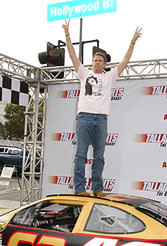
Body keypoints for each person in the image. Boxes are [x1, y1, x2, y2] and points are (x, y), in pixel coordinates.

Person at [62, 19, 142, 197]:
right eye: (95, 60)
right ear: (92, 62)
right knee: (81, 154)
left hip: (101, 119)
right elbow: (73, 55)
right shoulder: (84, 74)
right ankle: (80, 189)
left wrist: (133, 41)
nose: (97, 62)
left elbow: (125, 62)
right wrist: (67, 34)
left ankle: (97, 188)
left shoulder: (109, 77)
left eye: (100, 60)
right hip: (84, 117)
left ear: (105, 63)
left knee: (99, 156)